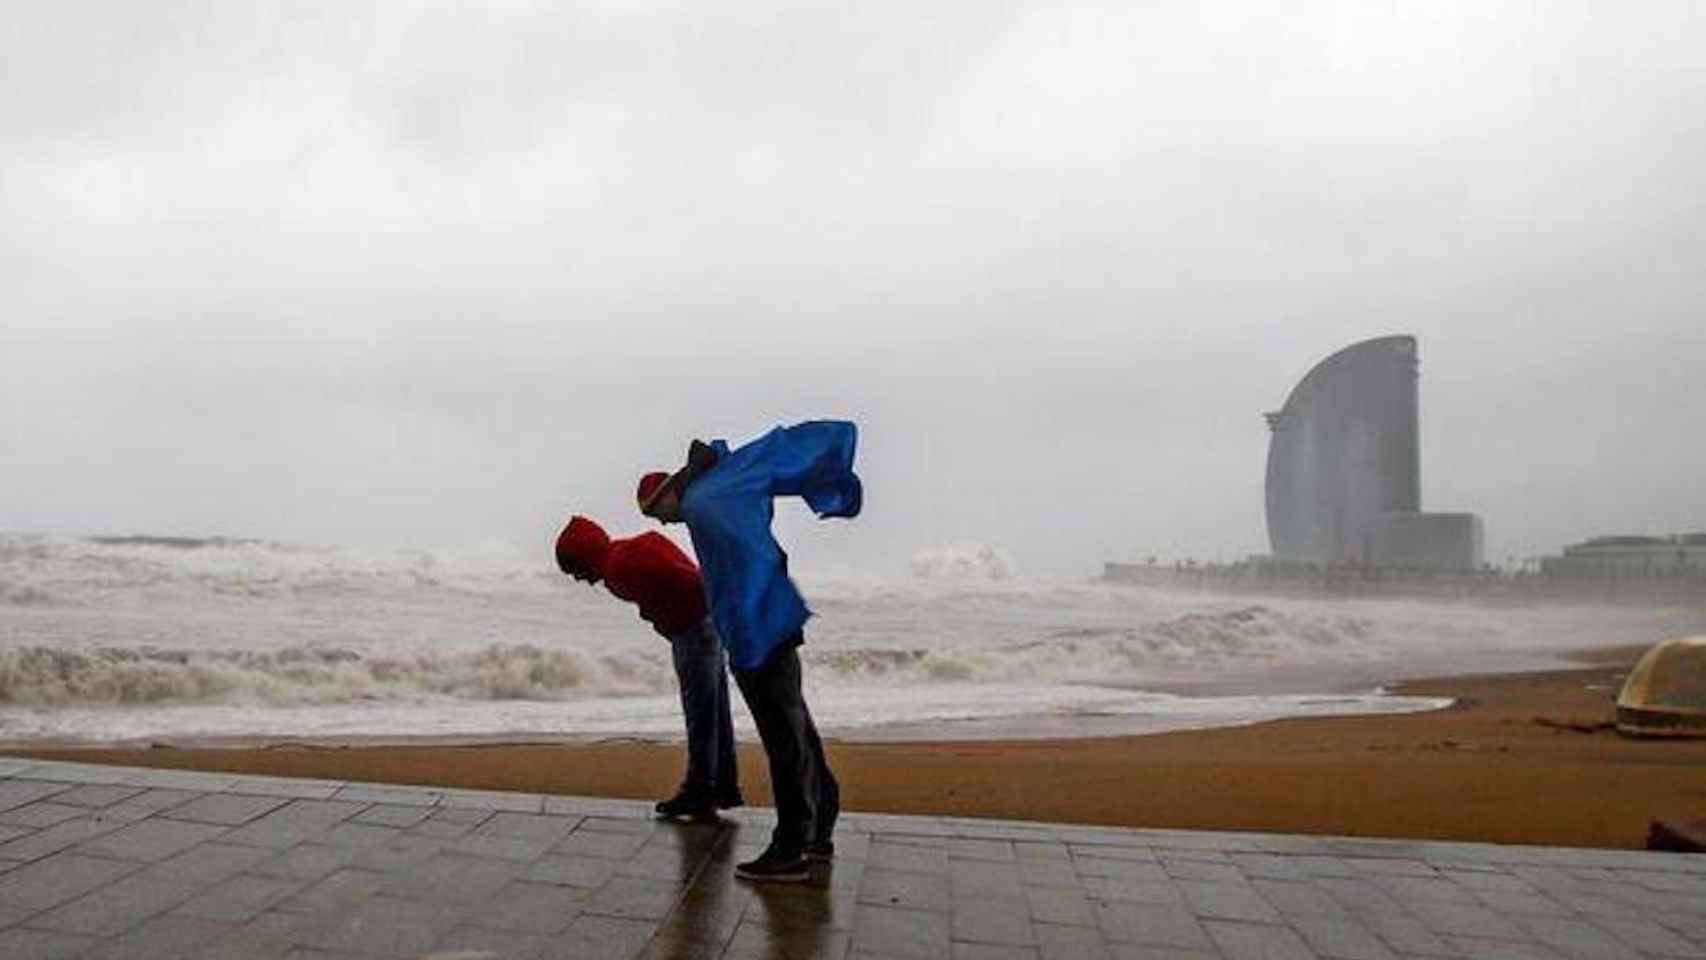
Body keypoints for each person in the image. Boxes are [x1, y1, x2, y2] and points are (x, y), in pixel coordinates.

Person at [638, 419, 860, 882]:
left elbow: (733, 576)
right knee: (797, 725)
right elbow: (779, 456)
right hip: (777, 616)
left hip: (756, 629)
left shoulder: (705, 502)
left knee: (783, 735)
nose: (663, 523)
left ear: (664, 495)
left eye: (656, 513)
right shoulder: (726, 479)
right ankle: (820, 823)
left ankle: (790, 848)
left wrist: (741, 633)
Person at [554, 515, 742, 819]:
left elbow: (686, 581)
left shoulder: (618, 567)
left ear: (585, 556)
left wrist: (671, 618)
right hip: (705, 625)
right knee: (715, 711)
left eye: (574, 569)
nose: (579, 578)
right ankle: (721, 787)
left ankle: (700, 790)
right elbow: (683, 574)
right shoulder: (625, 553)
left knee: (701, 715)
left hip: (692, 630)